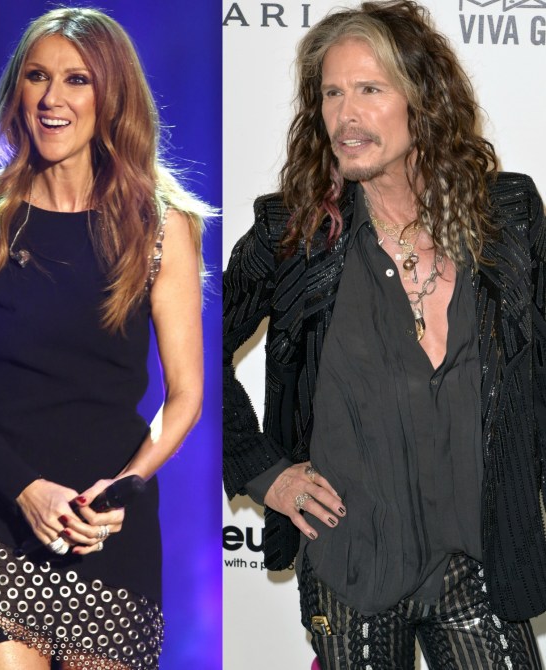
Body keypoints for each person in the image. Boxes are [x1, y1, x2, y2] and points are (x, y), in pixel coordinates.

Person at [223, 1, 546, 667]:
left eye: (370, 89)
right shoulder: (295, 234)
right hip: (352, 566)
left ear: (423, 101)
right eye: (331, 94)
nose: (346, 115)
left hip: (478, 562)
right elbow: (186, 348)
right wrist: (262, 472)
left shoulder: (508, 215)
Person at [0, 7, 209, 670]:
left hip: (105, 524)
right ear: (16, 90)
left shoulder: (161, 227)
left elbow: (185, 395)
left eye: (77, 80)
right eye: (37, 76)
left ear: (112, 97)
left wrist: (125, 486)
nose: (52, 98)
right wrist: (24, 488)